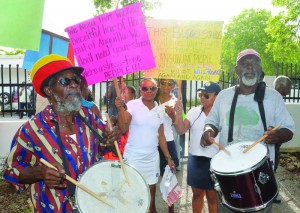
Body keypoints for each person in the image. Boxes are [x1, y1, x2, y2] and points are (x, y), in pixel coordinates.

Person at [3, 54, 120, 212]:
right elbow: (11, 171)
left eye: (76, 80)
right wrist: (40, 172)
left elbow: (107, 146)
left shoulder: (88, 116)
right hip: (54, 207)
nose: (74, 85)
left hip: (92, 204)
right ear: (49, 90)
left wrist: (112, 137)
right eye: (65, 81)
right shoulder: (32, 129)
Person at [201, 49, 295, 211]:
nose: (250, 67)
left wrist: (278, 135)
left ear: (260, 70)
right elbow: (212, 121)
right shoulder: (224, 96)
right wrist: (209, 131)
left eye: (254, 63)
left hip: (259, 172)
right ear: (237, 70)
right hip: (228, 171)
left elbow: (288, 129)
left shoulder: (273, 97)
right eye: (244, 63)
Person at [115, 78, 176, 213]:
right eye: (145, 88)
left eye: (152, 88)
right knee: (130, 193)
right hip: (133, 157)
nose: (149, 91)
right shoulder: (132, 104)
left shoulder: (159, 109)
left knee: (150, 197)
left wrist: (168, 158)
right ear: (140, 90)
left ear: (156, 90)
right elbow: (123, 128)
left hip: (152, 158)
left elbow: (161, 136)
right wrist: (120, 110)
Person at [174, 81, 221, 213]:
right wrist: (178, 114)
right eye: (201, 94)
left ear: (217, 97)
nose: (202, 97)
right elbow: (181, 130)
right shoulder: (194, 112)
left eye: (206, 95)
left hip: (215, 161)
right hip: (196, 160)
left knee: (212, 196)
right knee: (197, 194)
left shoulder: (222, 114)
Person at [157, 79, 180, 213]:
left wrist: (172, 115)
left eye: (170, 83)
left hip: (168, 140)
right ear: (159, 83)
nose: (166, 86)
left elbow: (178, 123)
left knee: (170, 175)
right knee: (155, 175)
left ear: (174, 85)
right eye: (163, 83)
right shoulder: (152, 97)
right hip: (152, 141)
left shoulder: (175, 101)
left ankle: (171, 208)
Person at [272, 75, 292, 203]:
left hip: (275, 140)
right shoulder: (273, 98)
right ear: (281, 86)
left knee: (273, 167)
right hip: (271, 140)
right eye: (289, 88)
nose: (289, 91)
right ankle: (269, 194)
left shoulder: (276, 97)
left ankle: (270, 193)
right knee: (270, 167)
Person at [103, 85, 136, 160]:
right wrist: (112, 120)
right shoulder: (119, 108)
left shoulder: (136, 106)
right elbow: (115, 118)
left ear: (134, 95)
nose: (122, 95)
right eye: (121, 92)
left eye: (125, 92)